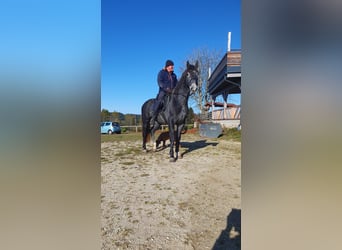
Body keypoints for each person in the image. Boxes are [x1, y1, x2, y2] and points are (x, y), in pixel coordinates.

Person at [150, 59, 178, 127]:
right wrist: (166, 89)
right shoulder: (162, 73)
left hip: (172, 93)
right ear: (167, 66)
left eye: (173, 66)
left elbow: (177, 84)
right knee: (159, 100)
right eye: (171, 66)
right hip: (163, 91)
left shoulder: (174, 75)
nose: (172, 67)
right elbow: (160, 82)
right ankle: (153, 117)